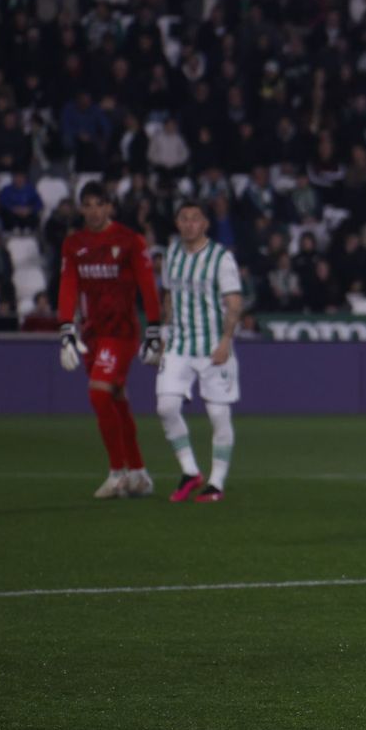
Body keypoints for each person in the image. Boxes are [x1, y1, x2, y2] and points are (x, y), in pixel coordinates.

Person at [57, 182, 163, 499]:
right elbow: (68, 286)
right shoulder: (74, 244)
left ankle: (117, 473)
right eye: (87, 205)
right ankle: (139, 473)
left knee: (99, 393)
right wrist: (66, 329)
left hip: (121, 333)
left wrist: (154, 329)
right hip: (92, 333)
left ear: (109, 207)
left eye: (98, 204)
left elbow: (147, 285)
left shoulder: (129, 240)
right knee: (116, 398)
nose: (93, 211)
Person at [156, 200, 244, 504]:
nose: (189, 224)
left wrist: (225, 341)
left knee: (218, 414)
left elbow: (234, 303)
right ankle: (190, 471)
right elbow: (168, 296)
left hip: (212, 345)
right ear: (177, 222)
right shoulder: (171, 255)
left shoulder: (220, 258)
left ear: (205, 223)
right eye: (184, 218)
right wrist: (165, 333)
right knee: (166, 407)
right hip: (180, 344)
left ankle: (216, 483)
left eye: (195, 219)